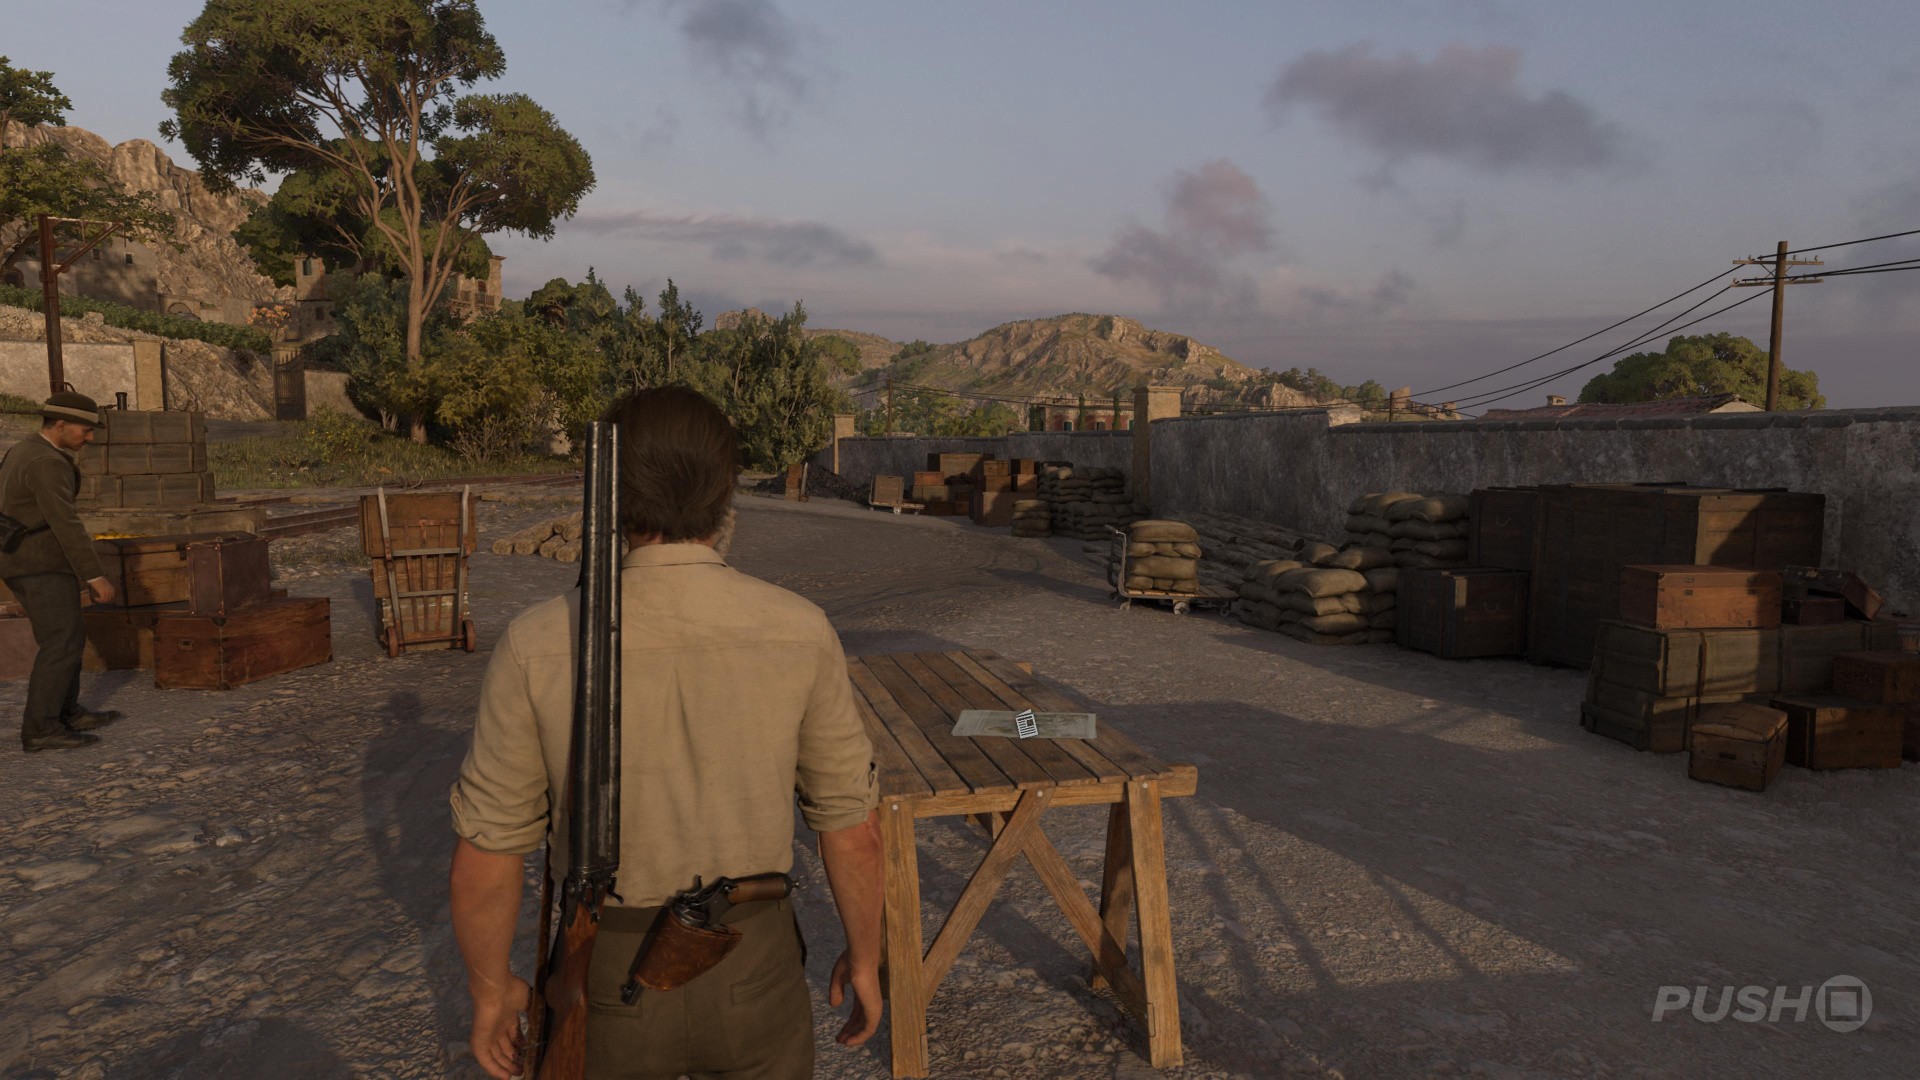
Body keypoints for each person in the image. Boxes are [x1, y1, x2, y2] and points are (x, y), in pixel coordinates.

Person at [447, 386, 885, 1080]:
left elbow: (486, 858)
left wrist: (491, 992)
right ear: (725, 492)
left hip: (606, 968)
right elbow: (853, 831)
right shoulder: (800, 628)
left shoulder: (537, 641)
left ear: (611, 494)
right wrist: (865, 959)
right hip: (754, 962)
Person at [0, 391, 122, 752]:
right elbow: (65, 523)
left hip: (23, 559)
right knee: (61, 642)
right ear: (61, 423)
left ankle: (66, 711)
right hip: (39, 562)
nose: (90, 437)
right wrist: (95, 575)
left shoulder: (23, 449)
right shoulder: (46, 462)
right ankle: (41, 728)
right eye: (85, 429)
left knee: (68, 636)